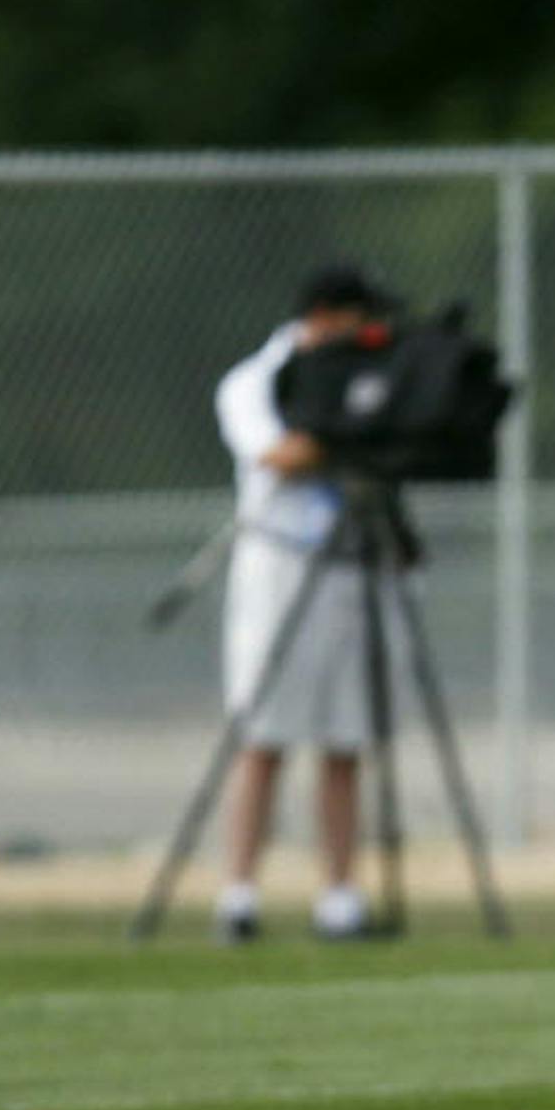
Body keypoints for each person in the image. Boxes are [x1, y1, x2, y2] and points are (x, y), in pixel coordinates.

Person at [212, 263, 404, 943]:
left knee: (344, 737)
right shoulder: (254, 381)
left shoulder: (364, 383)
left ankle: (340, 899)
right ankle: (239, 895)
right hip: (279, 562)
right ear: (325, 317)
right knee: (262, 735)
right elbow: (280, 455)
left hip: (348, 561)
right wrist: (353, 427)